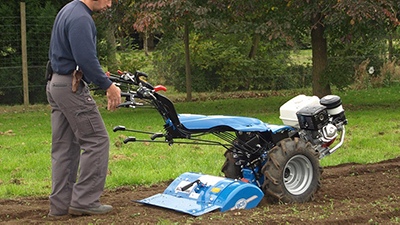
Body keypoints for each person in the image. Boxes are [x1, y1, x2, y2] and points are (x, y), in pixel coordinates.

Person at [46, 0, 121, 217]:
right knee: (97, 140)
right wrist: (108, 86)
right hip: (70, 87)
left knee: (64, 148)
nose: (109, 4)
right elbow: (86, 59)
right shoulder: (81, 18)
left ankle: (59, 207)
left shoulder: (68, 10)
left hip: (55, 83)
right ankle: (85, 201)